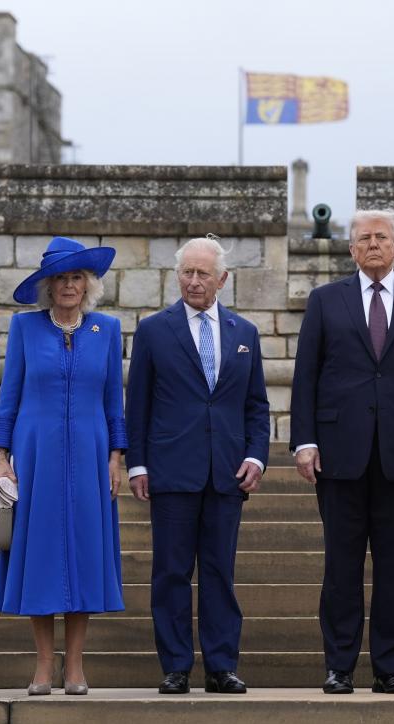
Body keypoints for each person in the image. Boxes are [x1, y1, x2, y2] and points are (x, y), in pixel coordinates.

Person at [290, 208, 394, 695]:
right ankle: (339, 665)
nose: (374, 245)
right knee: (341, 566)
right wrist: (305, 440)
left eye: (382, 237)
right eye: (364, 238)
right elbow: (307, 377)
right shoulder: (325, 300)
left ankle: (392, 667)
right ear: (351, 248)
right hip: (339, 453)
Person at [125, 234, 270, 695]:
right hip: (171, 470)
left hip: (227, 472)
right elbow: (138, 404)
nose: (193, 281)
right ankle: (175, 666)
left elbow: (256, 405)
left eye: (202, 273)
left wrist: (255, 455)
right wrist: (137, 464)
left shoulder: (244, 334)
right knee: (170, 572)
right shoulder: (153, 330)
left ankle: (221, 666)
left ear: (221, 279)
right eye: (186, 272)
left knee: (219, 574)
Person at [0, 236, 126, 696]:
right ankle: (44, 665)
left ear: (88, 285)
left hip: (90, 454)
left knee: (84, 555)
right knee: (42, 555)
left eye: (77, 278)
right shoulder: (24, 329)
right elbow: (9, 396)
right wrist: (0, 459)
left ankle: (76, 667)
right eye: (61, 279)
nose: (69, 286)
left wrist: (116, 457)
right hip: (36, 454)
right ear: (48, 286)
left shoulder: (106, 330)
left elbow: (114, 402)